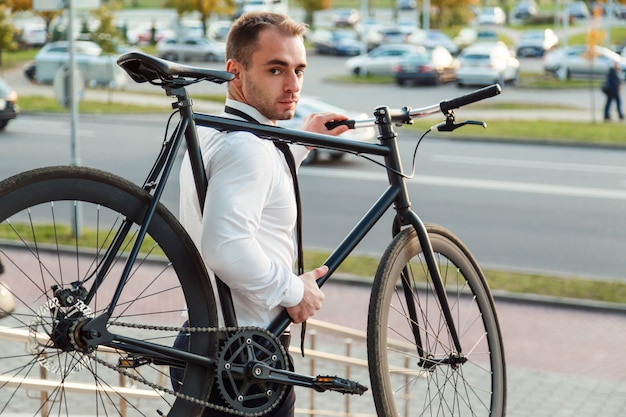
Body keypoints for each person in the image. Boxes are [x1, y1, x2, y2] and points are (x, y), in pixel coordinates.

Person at [175, 11, 350, 417]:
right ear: (234, 72)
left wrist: (302, 144)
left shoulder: (219, 134)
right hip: (241, 358)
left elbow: (257, 187)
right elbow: (226, 246)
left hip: (207, 342)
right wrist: (295, 292)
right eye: (276, 69)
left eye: (299, 70)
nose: (293, 85)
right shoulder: (249, 149)